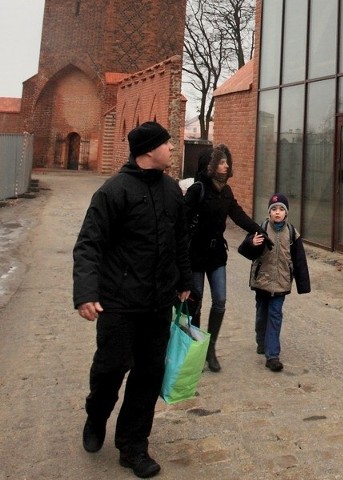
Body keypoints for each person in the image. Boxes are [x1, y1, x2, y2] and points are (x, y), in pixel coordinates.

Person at [73, 121, 192, 479]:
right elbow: (89, 244)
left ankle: (133, 445)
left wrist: (184, 281)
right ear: (148, 150)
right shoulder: (113, 192)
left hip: (158, 304)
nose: (173, 148)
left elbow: (181, 240)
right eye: (167, 143)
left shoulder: (173, 191)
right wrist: (86, 293)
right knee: (110, 370)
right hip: (119, 304)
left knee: (148, 376)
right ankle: (96, 416)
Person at [184, 144, 265, 372]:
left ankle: (211, 349)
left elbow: (238, 215)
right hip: (196, 256)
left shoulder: (225, 191)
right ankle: (197, 349)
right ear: (210, 166)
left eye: (226, 161)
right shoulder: (198, 190)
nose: (226, 165)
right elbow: (180, 223)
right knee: (195, 305)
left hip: (217, 254)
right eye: (221, 162)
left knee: (220, 301)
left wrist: (260, 230)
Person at [238, 193, 311, 372]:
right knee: (262, 314)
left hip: (281, 282)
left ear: (286, 213)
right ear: (269, 213)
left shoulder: (292, 234)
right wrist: (252, 243)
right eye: (274, 209)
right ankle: (261, 340)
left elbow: (299, 261)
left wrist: (303, 285)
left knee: (275, 316)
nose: (277, 213)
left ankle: (273, 356)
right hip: (262, 282)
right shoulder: (261, 229)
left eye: (281, 210)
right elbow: (244, 251)